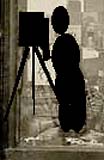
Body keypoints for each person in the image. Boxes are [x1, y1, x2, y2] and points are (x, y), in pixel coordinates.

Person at [51, 6, 86, 134]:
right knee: (74, 107)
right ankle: (74, 126)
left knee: (66, 106)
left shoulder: (60, 42)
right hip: (74, 78)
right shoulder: (70, 40)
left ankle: (70, 126)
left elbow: (57, 63)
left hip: (65, 79)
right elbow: (75, 59)